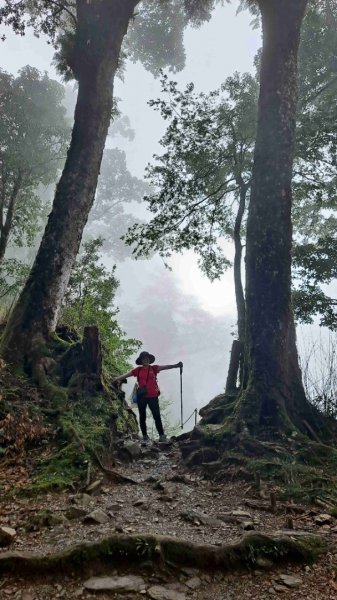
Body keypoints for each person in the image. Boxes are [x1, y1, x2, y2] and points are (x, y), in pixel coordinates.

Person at [112, 351, 183, 444]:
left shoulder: (154, 368)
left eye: (147, 358)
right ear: (141, 361)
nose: (146, 360)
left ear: (149, 360)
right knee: (142, 417)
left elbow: (165, 367)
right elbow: (127, 375)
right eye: (144, 358)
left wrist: (176, 365)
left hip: (153, 397)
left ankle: (162, 436)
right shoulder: (138, 370)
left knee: (157, 416)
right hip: (142, 397)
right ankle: (145, 437)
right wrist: (116, 378)